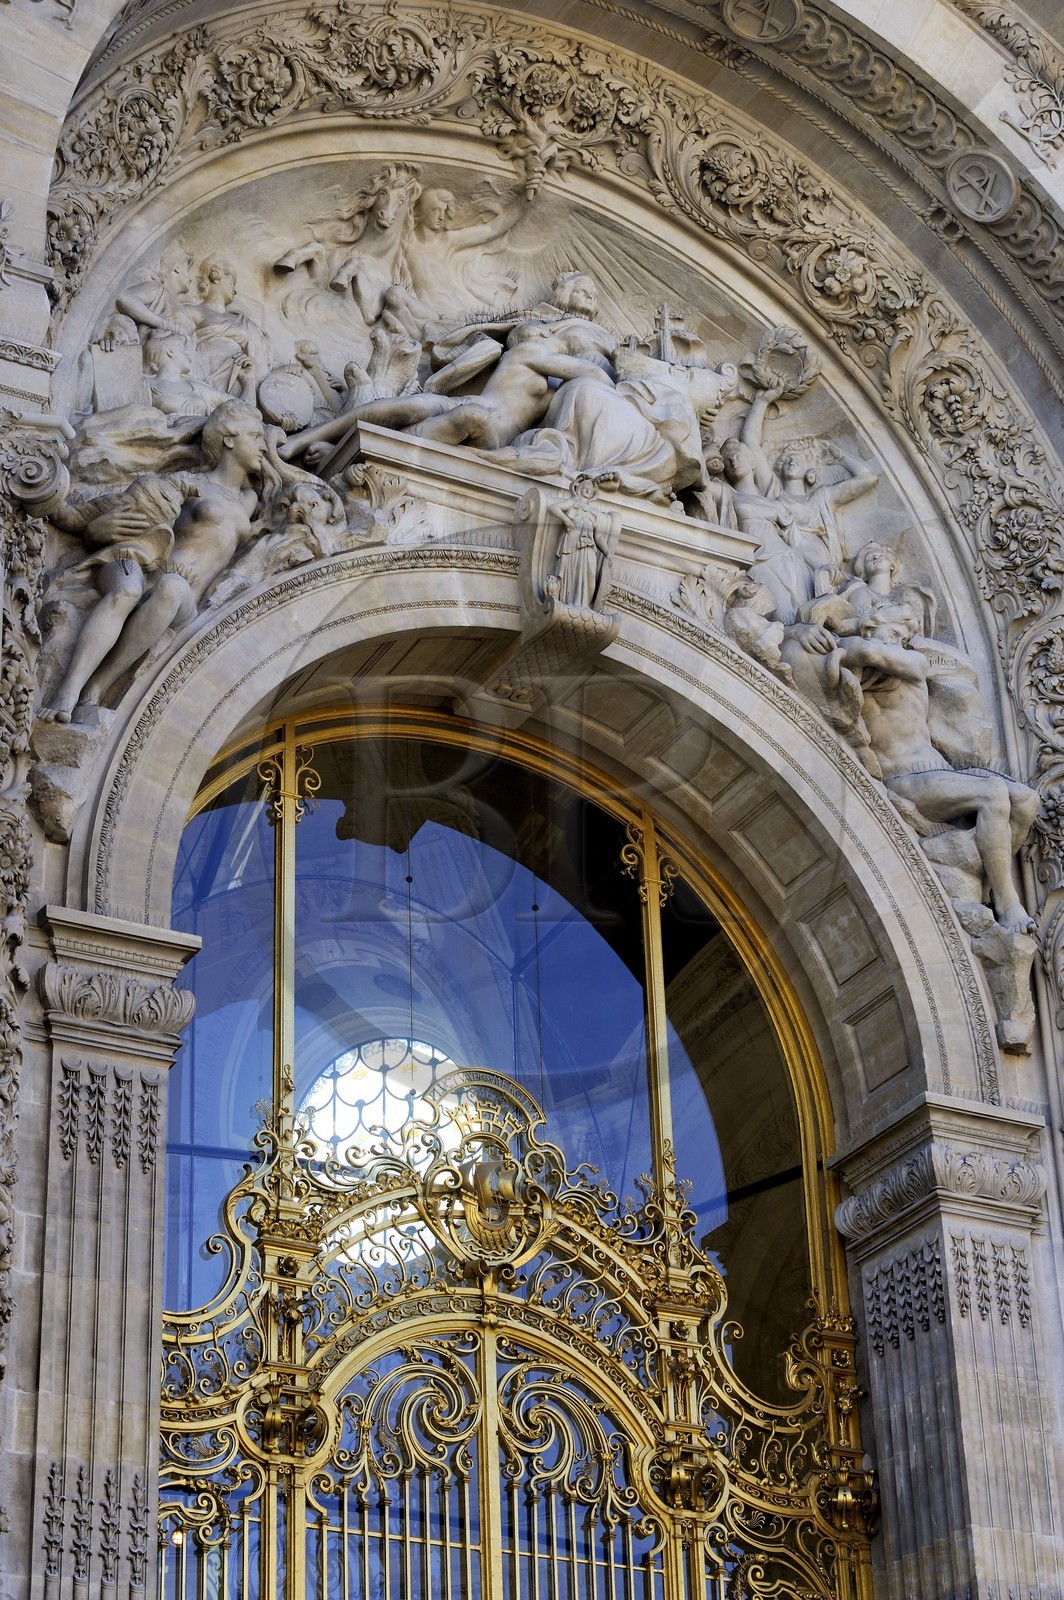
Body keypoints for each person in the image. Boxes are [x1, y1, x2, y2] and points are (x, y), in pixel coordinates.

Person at [43, 403, 270, 722]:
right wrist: (94, 532)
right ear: (229, 438)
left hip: (183, 597)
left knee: (173, 588)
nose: (264, 445)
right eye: (256, 436)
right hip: (142, 564)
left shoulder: (250, 500)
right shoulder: (188, 483)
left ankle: (96, 687)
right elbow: (120, 511)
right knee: (128, 590)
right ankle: (68, 691)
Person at [838, 605, 1038, 933]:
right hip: (903, 779)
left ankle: (988, 884)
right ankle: (1008, 903)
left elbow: (868, 651)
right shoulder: (858, 669)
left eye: (903, 637)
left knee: (1026, 800)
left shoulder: (912, 663)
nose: (899, 641)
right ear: (872, 626)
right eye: (895, 632)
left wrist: (851, 642)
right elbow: (856, 655)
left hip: (934, 771)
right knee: (992, 794)